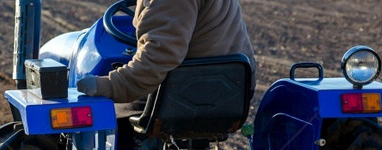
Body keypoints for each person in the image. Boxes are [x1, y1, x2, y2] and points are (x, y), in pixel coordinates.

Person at [77, 0, 257, 103]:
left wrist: (107, 86)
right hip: (232, 85)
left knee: (104, 110)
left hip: (193, 92)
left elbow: (156, 60)